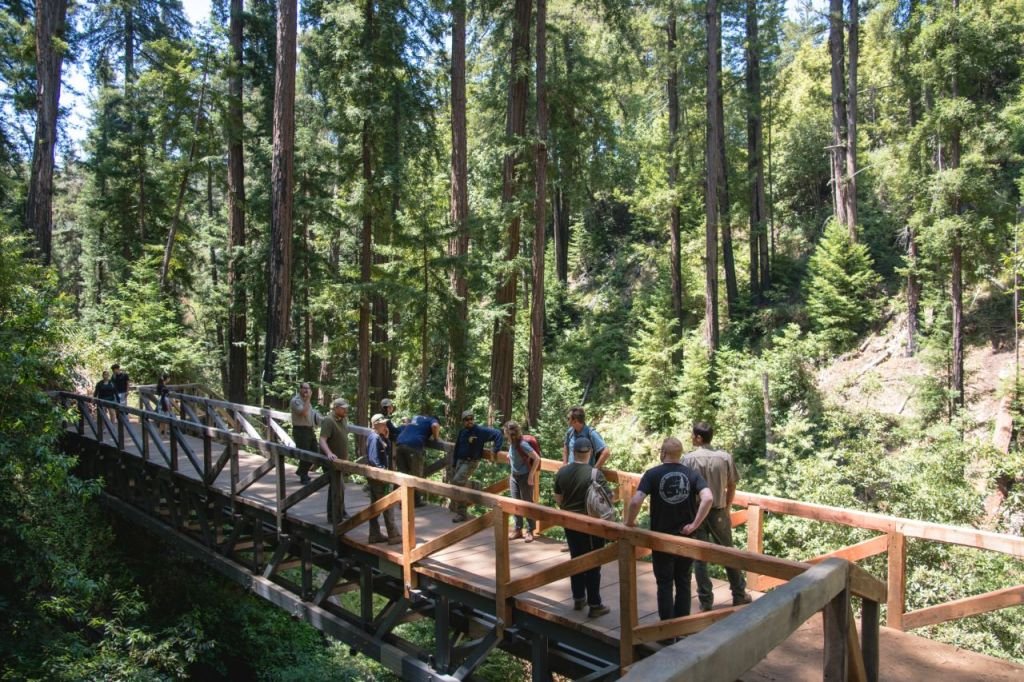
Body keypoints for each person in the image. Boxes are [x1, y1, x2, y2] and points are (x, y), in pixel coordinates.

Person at [624, 437, 713, 621]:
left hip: (661, 539)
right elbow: (708, 498)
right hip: (685, 537)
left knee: (664, 583)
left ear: (663, 453)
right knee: (683, 581)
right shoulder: (691, 474)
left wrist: (629, 523)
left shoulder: (652, 474)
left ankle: (666, 629)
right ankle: (681, 627)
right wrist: (695, 525)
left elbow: (635, 500)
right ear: (679, 454)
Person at [682, 421, 752, 611]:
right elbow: (732, 485)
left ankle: (706, 602)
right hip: (719, 511)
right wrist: (727, 507)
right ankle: (739, 594)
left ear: (698, 437)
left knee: (700, 557)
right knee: (728, 552)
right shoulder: (725, 457)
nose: (691, 437)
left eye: (692, 435)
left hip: (697, 512)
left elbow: (686, 489)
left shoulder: (688, 459)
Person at [553, 437, 611, 618]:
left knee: (576, 558)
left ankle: (578, 598)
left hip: (570, 524)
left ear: (574, 453)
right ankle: (595, 604)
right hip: (591, 526)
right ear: (590, 453)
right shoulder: (595, 474)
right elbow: (608, 499)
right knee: (593, 563)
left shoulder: (562, 472)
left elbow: (558, 499)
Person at [450, 410, 504, 523]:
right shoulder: (462, 432)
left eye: (471, 418)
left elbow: (498, 434)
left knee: (457, 482)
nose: (469, 421)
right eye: (466, 419)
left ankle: (462, 513)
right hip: (460, 461)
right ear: (463, 421)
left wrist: (495, 449)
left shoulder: (480, 431)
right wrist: (454, 462)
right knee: (458, 483)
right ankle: (475, 486)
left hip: (470, 462)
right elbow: (457, 447)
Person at [500, 421, 541, 541]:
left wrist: (531, 476)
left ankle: (530, 530)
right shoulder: (512, 442)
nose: (504, 433)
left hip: (525, 476)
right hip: (514, 476)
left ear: (509, 432)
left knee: (527, 503)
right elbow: (514, 454)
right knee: (515, 503)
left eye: (505, 431)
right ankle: (518, 529)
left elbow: (537, 458)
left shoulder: (522, 444)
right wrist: (509, 456)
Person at [366, 413, 401, 545]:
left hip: (375, 478)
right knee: (388, 505)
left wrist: (386, 438)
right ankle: (393, 534)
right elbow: (374, 460)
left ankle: (374, 535)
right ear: (376, 425)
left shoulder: (376, 437)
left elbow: (385, 450)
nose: (385, 426)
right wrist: (385, 475)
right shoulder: (374, 438)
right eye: (383, 424)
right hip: (379, 478)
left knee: (375, 507)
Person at [395, 408, 441, 507]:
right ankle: (416, 501)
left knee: (402, 474)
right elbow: (435, 426)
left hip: (400, 443)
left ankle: (401, 501)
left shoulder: (417, 418)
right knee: (416, 475)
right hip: (413, 446)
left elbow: (408, 426)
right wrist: (436, 438)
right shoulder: (432, 420)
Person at [319, 398, 350, 522]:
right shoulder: (328, 420)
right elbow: (322, 439)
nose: (345, 410)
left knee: (340, 487)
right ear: (336, 408)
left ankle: (341, 511)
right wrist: (329, 453)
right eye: (343, 408)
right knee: (336, 486)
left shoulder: (343, 420)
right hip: (332, 461)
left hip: (341, 461)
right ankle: (333, 515)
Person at [291, 382, 320, 484]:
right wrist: (308, 399)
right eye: (304, 388)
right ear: (300, 389)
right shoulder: (295, 401)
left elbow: (311, 415)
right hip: (300, 431)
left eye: (308, 388)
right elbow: (303, 412)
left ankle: (301, 472)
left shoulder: (307, 402)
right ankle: (303, 476)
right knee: (305, 454)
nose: (306, 390)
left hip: (309, 430)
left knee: (315, 452)